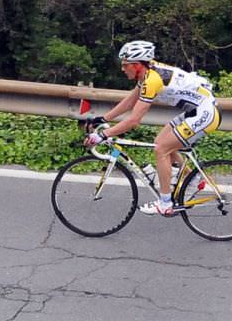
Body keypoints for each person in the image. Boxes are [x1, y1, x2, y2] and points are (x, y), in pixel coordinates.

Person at [88, 40, 219, 216]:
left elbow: (134, 120)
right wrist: (104, 118)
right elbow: (131, 100)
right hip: (196, 110)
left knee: (162, 150)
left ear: (136, 65)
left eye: (125, 65)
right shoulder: (146, 73)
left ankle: (165, 203)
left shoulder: (152, 80)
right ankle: (192, 178)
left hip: (205, 113)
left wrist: (103, 135)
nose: (122, 69)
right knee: (160, 141)